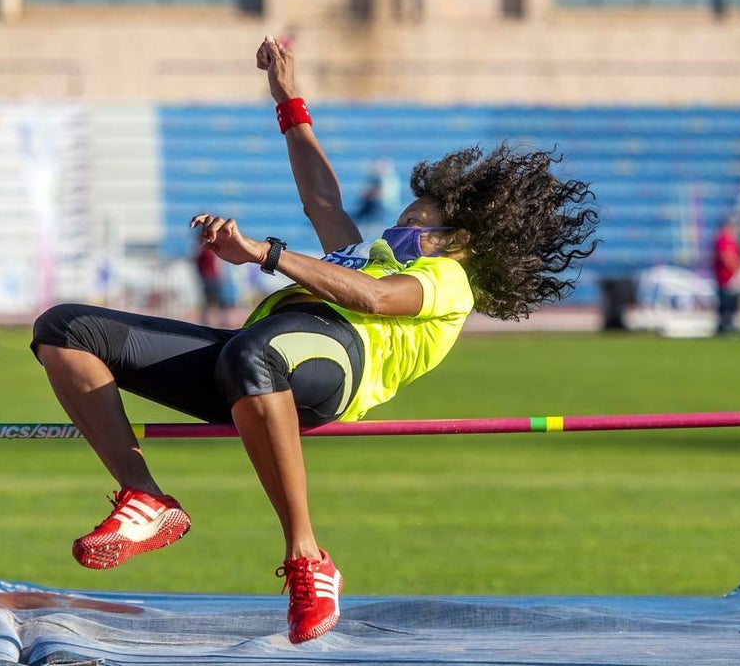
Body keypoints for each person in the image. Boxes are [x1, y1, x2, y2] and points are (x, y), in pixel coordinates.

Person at [29, 36, 599, 645]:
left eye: (419, 215)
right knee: (65, 329)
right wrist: (288, 97)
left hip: (335, 363)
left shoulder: (449, 281)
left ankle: (307, 557)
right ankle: (145, 499)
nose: (404, 218)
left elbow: (376, 300)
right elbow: (321, 197)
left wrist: (265, 253)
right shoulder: (365, 253)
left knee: (256, 352)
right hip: (253, 363)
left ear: (457, 237)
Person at [713, 215, 740, 334]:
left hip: (731, 278)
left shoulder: (731, 240)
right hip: (726, 278)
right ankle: (724, 326)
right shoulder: (723, 240)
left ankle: (728, 324)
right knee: (726, 303)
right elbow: (727, 257)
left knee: (731, 303)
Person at [194, 241, 231, 326]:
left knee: (220, 300)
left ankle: (222, 319)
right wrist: (204, 275)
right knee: (210, 300)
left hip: (215, 277)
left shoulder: (213, 251)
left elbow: (217, 265)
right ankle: (206, 320)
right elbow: (199, 265)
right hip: (209, 278)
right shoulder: (203, 251)